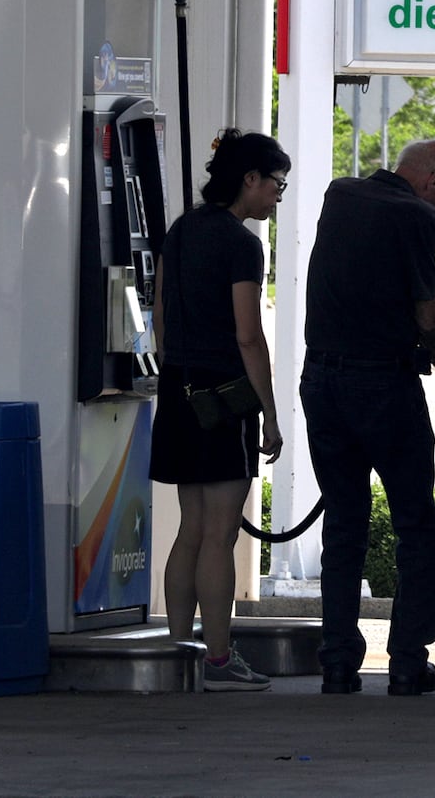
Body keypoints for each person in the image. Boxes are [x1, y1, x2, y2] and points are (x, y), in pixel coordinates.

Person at [301, 137, 435, 697]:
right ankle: (406, 663)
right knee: (416, 523)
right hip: (382, 383)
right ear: (434, 179)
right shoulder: (417, 217)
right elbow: (425, 310)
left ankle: (338, 662)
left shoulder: (339, 195)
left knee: (344, 522)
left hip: (321, 379)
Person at [150, 128, 290, 692]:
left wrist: (176, 368)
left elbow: (159, 313)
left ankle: (179, 655)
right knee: (220, 535)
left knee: (192, 528)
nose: (278, 196)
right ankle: (218, 659)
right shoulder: (241, 244)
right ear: (249, 179)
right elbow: (249, 337)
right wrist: (270, 413)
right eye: (276, 184)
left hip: (179, 389)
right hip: (223, 396)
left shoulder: (181, 230)